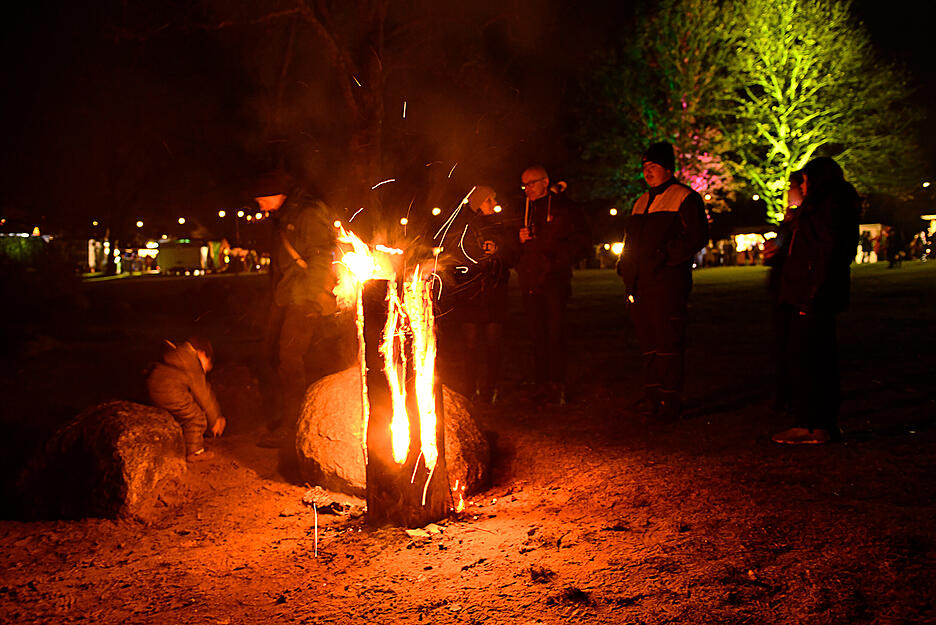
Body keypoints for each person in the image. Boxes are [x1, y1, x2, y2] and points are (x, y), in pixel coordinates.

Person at [616, 141, 708, 420]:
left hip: (667, 284)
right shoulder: (641, 202)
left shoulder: (684, 197)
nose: (648, 171)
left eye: (653, 166)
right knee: (648, 343)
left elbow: (697, 236)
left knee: (668, 342)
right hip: (639, 284)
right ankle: (652, 396)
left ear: (668, 168)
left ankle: (670, 399)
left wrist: (665, 257)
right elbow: (630, 240)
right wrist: (625, 265)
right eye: (645, 166)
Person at [250, 170, 342, 450]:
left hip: (304, 298)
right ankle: (295, 416)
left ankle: (294, 425)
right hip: (288, 296)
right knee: (276, 357)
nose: (259, 205)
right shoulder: (284, 216)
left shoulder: (306, 214)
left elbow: (319, 257)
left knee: (290, 359)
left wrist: (313, 299)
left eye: (261, 199)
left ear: (274, 194)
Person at [772, 156, 860, 444]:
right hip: (811, 294)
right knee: (813, 357)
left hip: (812, 296)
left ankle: (812, 424)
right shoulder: (826, 207)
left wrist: (810, 295)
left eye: (806, 181)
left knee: (808, 359)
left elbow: (826, 253)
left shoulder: (828, 207)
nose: (802, 186)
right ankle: (817, 421)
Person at [515, 165, 590, 404]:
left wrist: (556, 261)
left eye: (531, 183)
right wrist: (519, 241)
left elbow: (581, 242)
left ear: (545, 182)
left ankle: (557, 383)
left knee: (555, 333)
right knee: (537, 335)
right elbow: (513, 247)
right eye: (524, 185)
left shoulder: (564, 208)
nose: (527, 189)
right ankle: (541, 383)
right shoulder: (524, 209)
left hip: (555, 280)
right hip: (530, 279)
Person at [440, 185, 520, 403]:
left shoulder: (502, 226)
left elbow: (513, 256)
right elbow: (456, 259)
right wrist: (478, 258)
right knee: (471, 346)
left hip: (495, 294)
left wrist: (499, 252)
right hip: (472, 296)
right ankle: (470, 389)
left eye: (494, 199)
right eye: (489, 200)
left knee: (494, 345)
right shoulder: (464, 228)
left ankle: (489, 389)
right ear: (477, 204)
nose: (494, 203)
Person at [762, 170, 803, 417]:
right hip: (782, 288)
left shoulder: (803, 220)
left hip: (793, 289)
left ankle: (790, 394)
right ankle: (784, 392)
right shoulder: (789, 221)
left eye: (792, 186)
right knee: (783, 343)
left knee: (793, 343)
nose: (788, 192)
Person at [147, 337, 225, 462]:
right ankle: (195, 452)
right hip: (168, 392)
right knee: (197, 417)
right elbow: (203, 394)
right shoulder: (192, 362)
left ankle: (182, 444)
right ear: (202, 353)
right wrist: (215, 419)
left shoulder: (177, 354)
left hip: (154, 388)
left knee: (186, 410)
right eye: (207, 364)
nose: (205, 370)